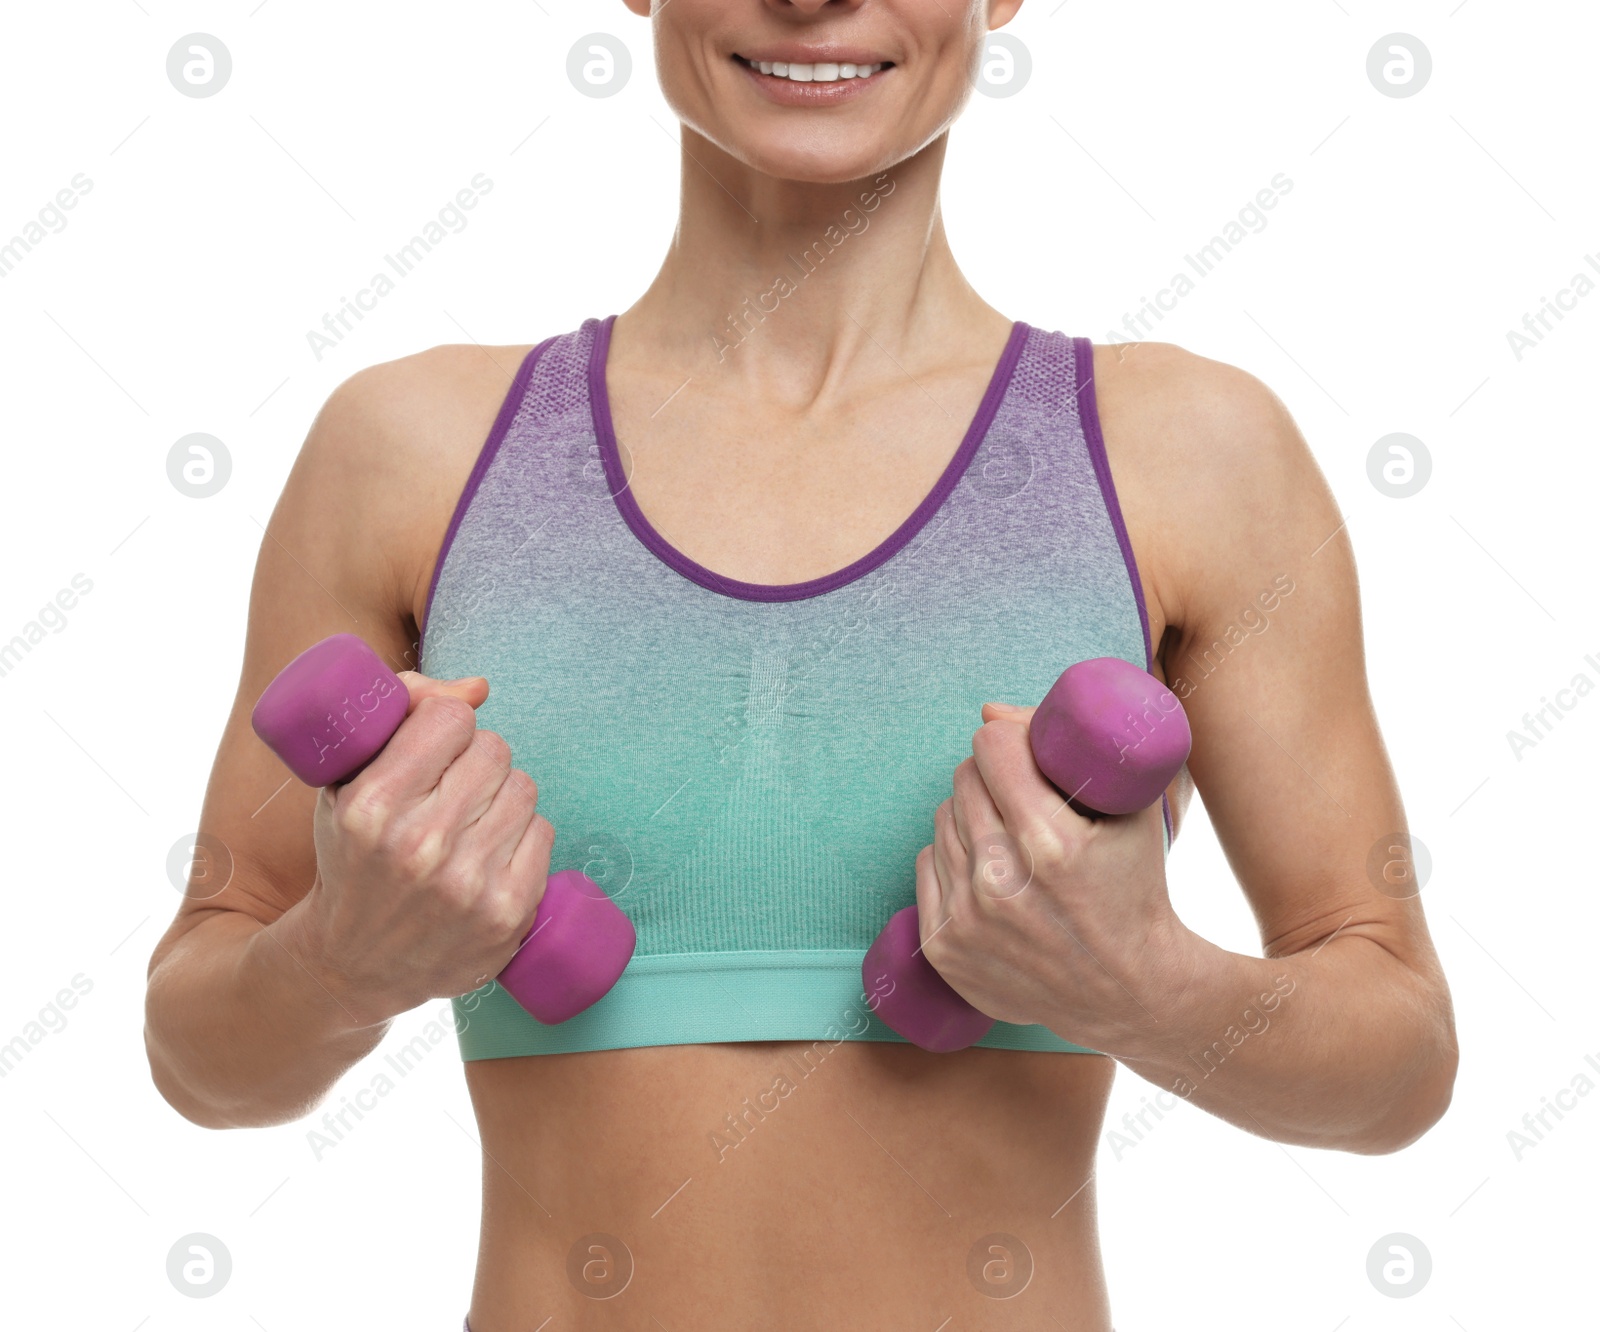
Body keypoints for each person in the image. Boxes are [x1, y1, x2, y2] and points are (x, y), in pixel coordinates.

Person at [144, 2, 1459, 1327]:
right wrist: (339, 963)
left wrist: (1148, 985)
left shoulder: (1191, 455)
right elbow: (200, 1054)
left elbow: (1400, 1066)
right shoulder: (407, 452)